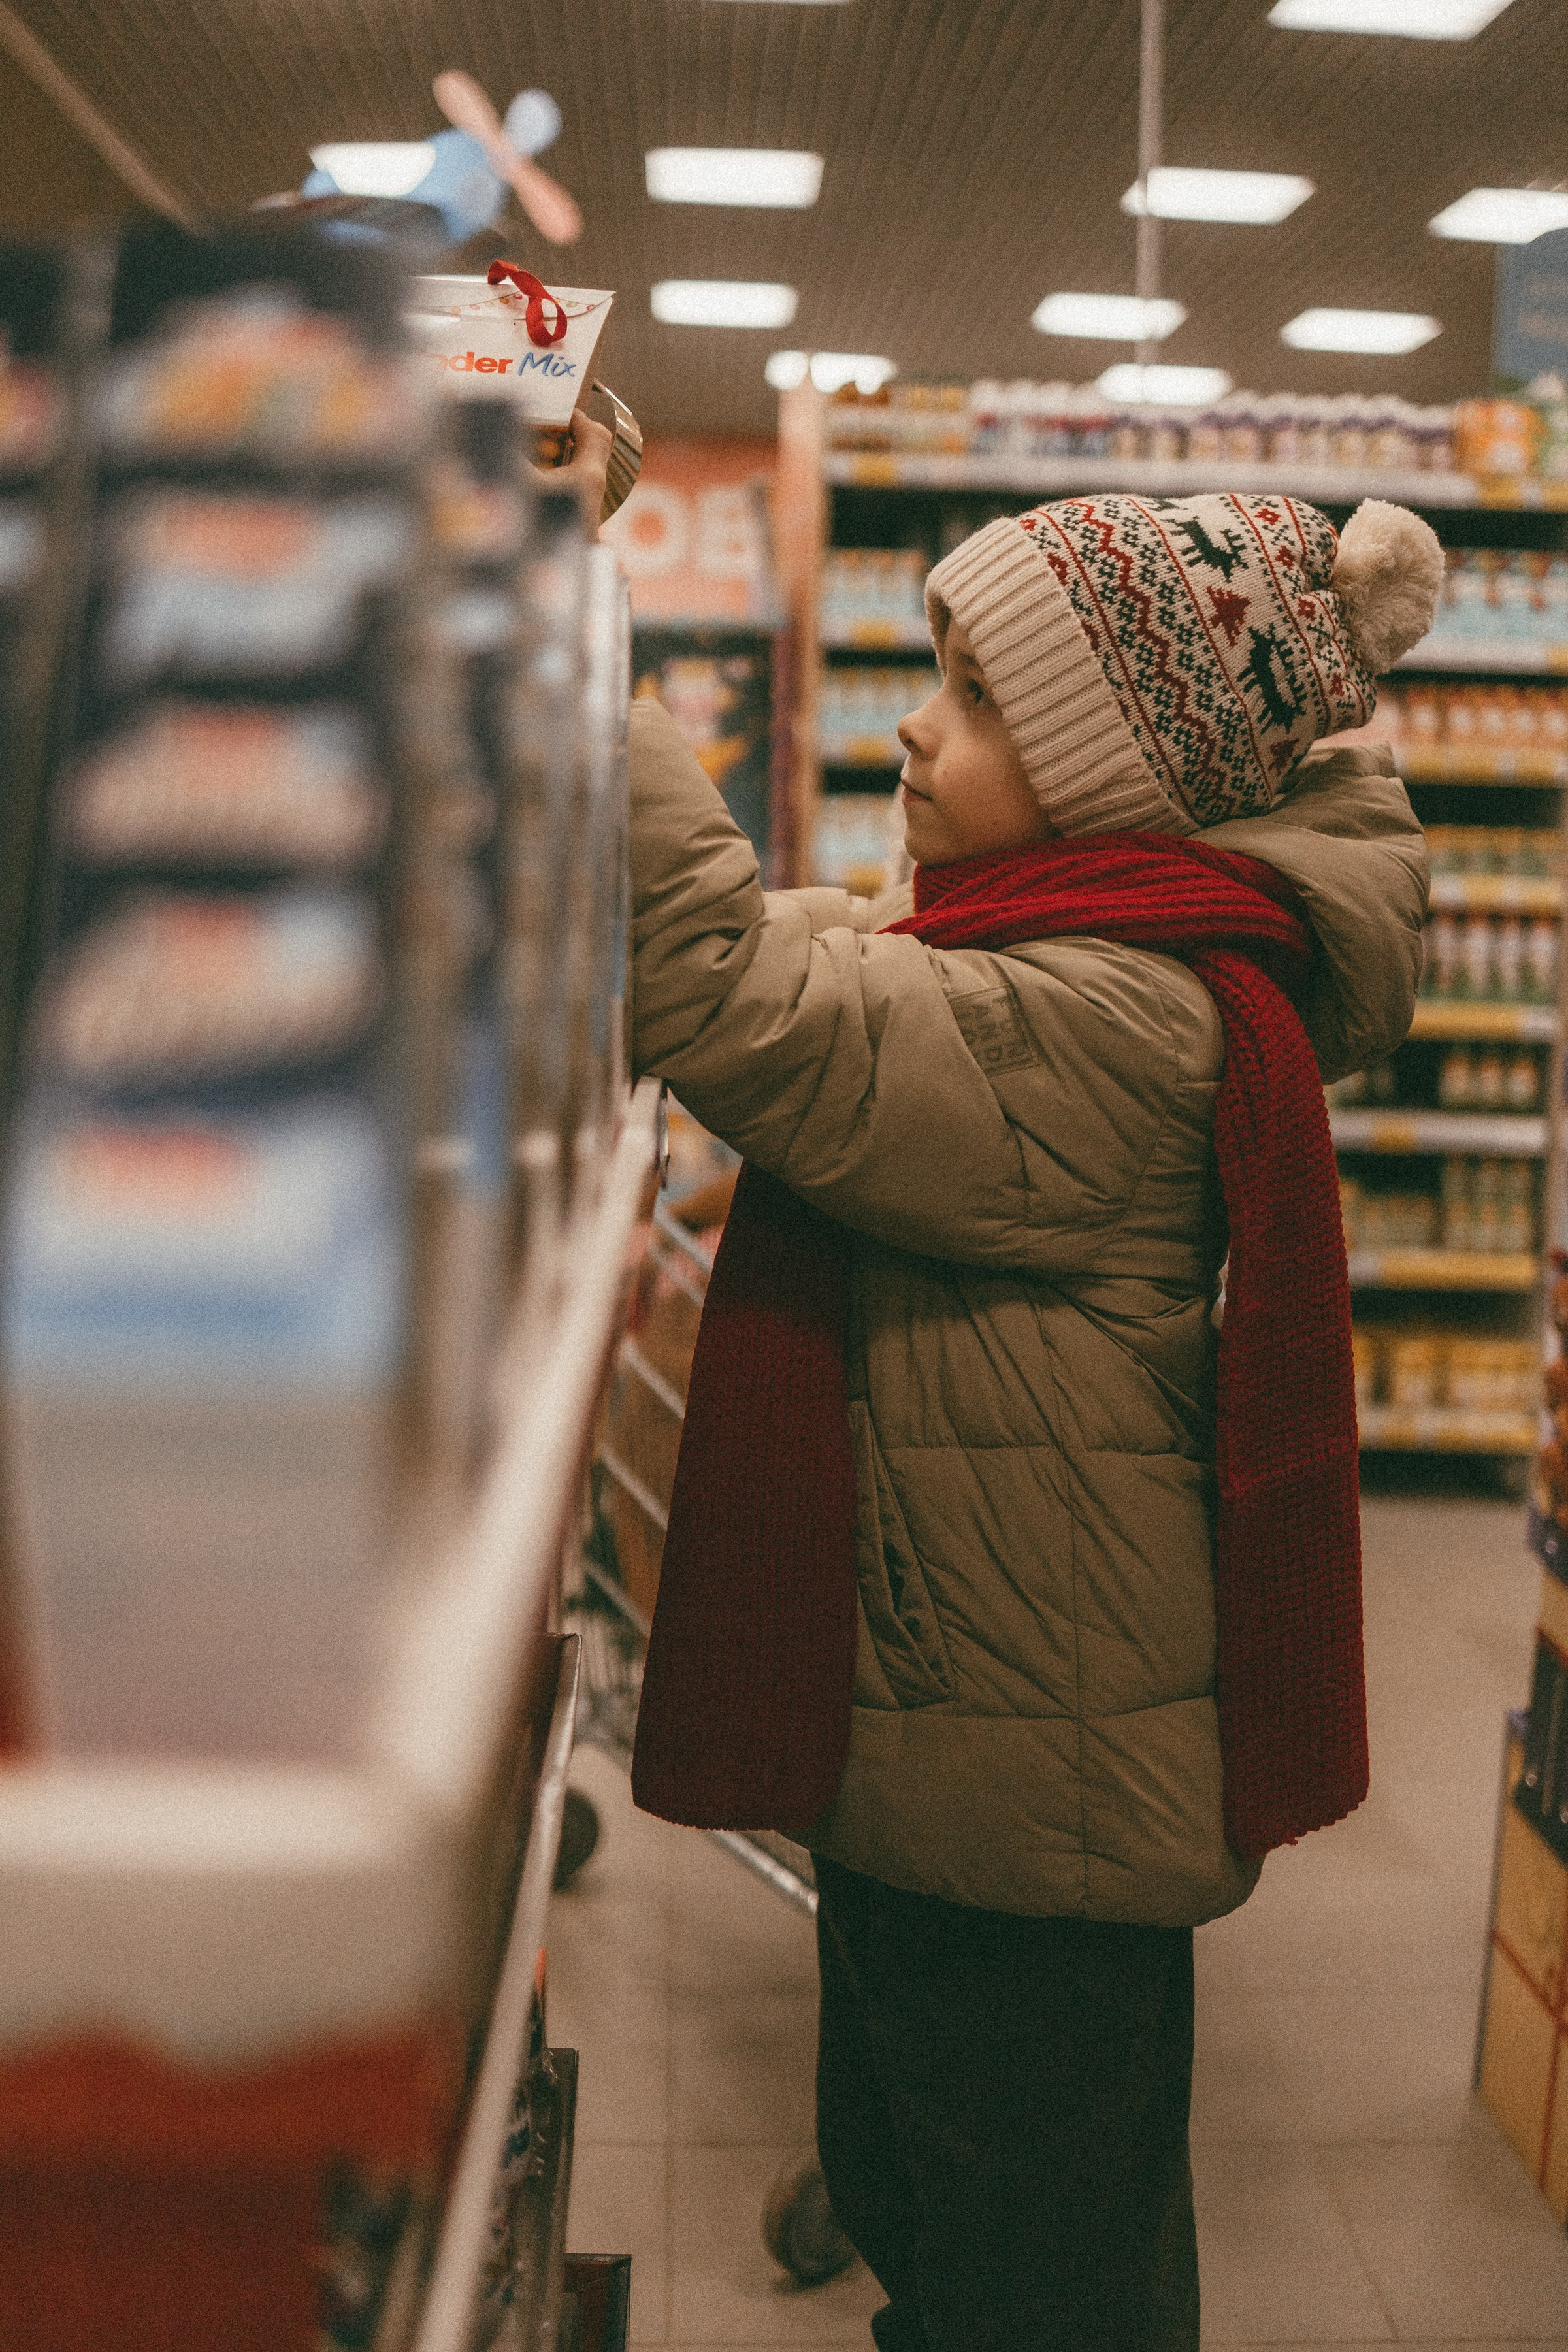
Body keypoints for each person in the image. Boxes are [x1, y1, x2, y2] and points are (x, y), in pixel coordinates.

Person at [610, 472, 1437, 2349]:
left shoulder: (1123, 1019)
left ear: (1111, 781)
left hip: (1035, 1797)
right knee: (957, 2220)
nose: (917, 722)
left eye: (977, 698)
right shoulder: (1070, 951)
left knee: (1042, 2281)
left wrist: (590, 680)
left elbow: (741, 998)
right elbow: (846, 969)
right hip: (988, 1738)